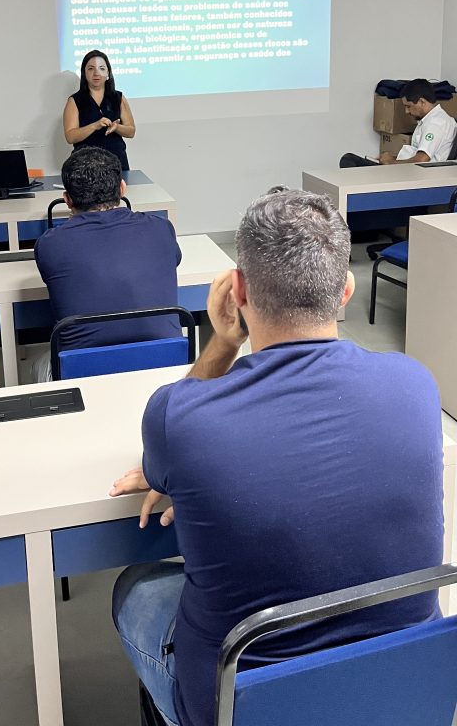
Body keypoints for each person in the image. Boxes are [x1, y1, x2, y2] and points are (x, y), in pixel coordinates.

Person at [110, 188, 443, 726]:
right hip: (403, 685)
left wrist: (222, 343)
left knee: (135, 588)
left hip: (241, 704)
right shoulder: (416, 385)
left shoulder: (180, 417)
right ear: (347, 289)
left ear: (238, 291)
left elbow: (169, 456)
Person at [32, 147, 182, 381]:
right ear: (122, 188)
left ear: (67, 200)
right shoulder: (162, 228)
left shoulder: (49, 244)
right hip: (166, 366)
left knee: (38, 363)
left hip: (83, 373)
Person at [340, 79, 457, 167]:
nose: (406, 111)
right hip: (405, 169)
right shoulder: (431, 119)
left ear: (422, 102)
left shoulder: (435, 124)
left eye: (408, 106)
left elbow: (421, 160)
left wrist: (391, 162)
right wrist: (392, 159)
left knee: (348, 160)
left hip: (412, 175)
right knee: (351, 160)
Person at [63, 49, 135, 171]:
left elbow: (131, 131)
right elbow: (70, 137)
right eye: (91, 68)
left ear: (108, 73)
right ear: (84, 73)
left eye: (101, 68)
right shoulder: (75, 100)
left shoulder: (118, 97)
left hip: (116, 161)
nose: (96, 73)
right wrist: (94, 126)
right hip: (85, 164)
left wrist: (116, 127)